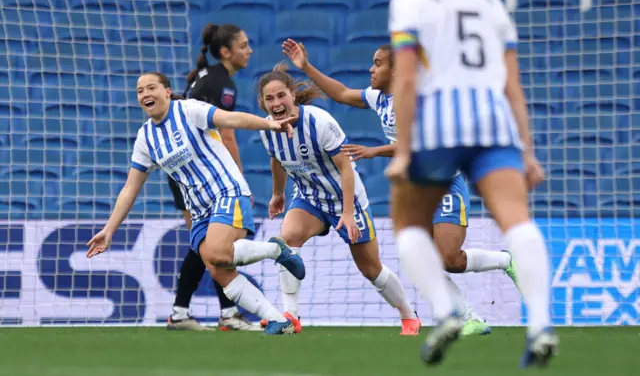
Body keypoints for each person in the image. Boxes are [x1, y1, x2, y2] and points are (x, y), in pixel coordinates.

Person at [385, 0, 556, 367]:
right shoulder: (490, 1)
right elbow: (512, 86)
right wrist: (528, 151)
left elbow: (404, 81)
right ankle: (539, 324)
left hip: (439, 126)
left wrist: (404, 150)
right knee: (517, 222)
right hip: (494, 124)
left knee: (406, 226)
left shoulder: (409, 2)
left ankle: (445, 312)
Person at [281, 39, 520, 336]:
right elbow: (341, 93)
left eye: (378, 64)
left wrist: (375, 151)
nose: (371, 69)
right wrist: (306, 67)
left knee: (449, 259)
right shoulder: (380, 98)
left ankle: (505, 260)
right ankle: (469, 317)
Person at [86, 71, 305, 336]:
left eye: (151, 87)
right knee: (219, 271)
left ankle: (276, 250)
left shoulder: (189, 110)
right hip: (198, 209)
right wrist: (109, 230)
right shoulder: (145, 138)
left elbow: (230, 119)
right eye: (140, 91)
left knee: (216, 253)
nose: (145, 94)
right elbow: (130, 188)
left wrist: (268, 124)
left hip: (227, 191)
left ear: (167, 91)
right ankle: (277, 320)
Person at [256, 62, 422, 336]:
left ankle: (408, 315)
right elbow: (276, 159)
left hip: (346, 199)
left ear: (292, 95)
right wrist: (277, 193)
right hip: (309, 198)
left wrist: (346, 213)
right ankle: (291, 316)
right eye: (269, 98)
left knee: (371, 269)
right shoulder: (266, 130)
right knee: (288, 240)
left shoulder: (319, 122)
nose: (276, 103)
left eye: (281, 95)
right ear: (263, 103)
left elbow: (345, 167)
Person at [166, 23, 261, 331]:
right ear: (226, 52)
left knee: (208, 242)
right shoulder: (223, 84)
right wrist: (239, 181)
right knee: (209, 243)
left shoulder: (211, 77)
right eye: (244, 45)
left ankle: (209, 312)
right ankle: (218, 313)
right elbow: (228, 134)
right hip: (196, 172)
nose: (250, 50)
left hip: (186, 168)